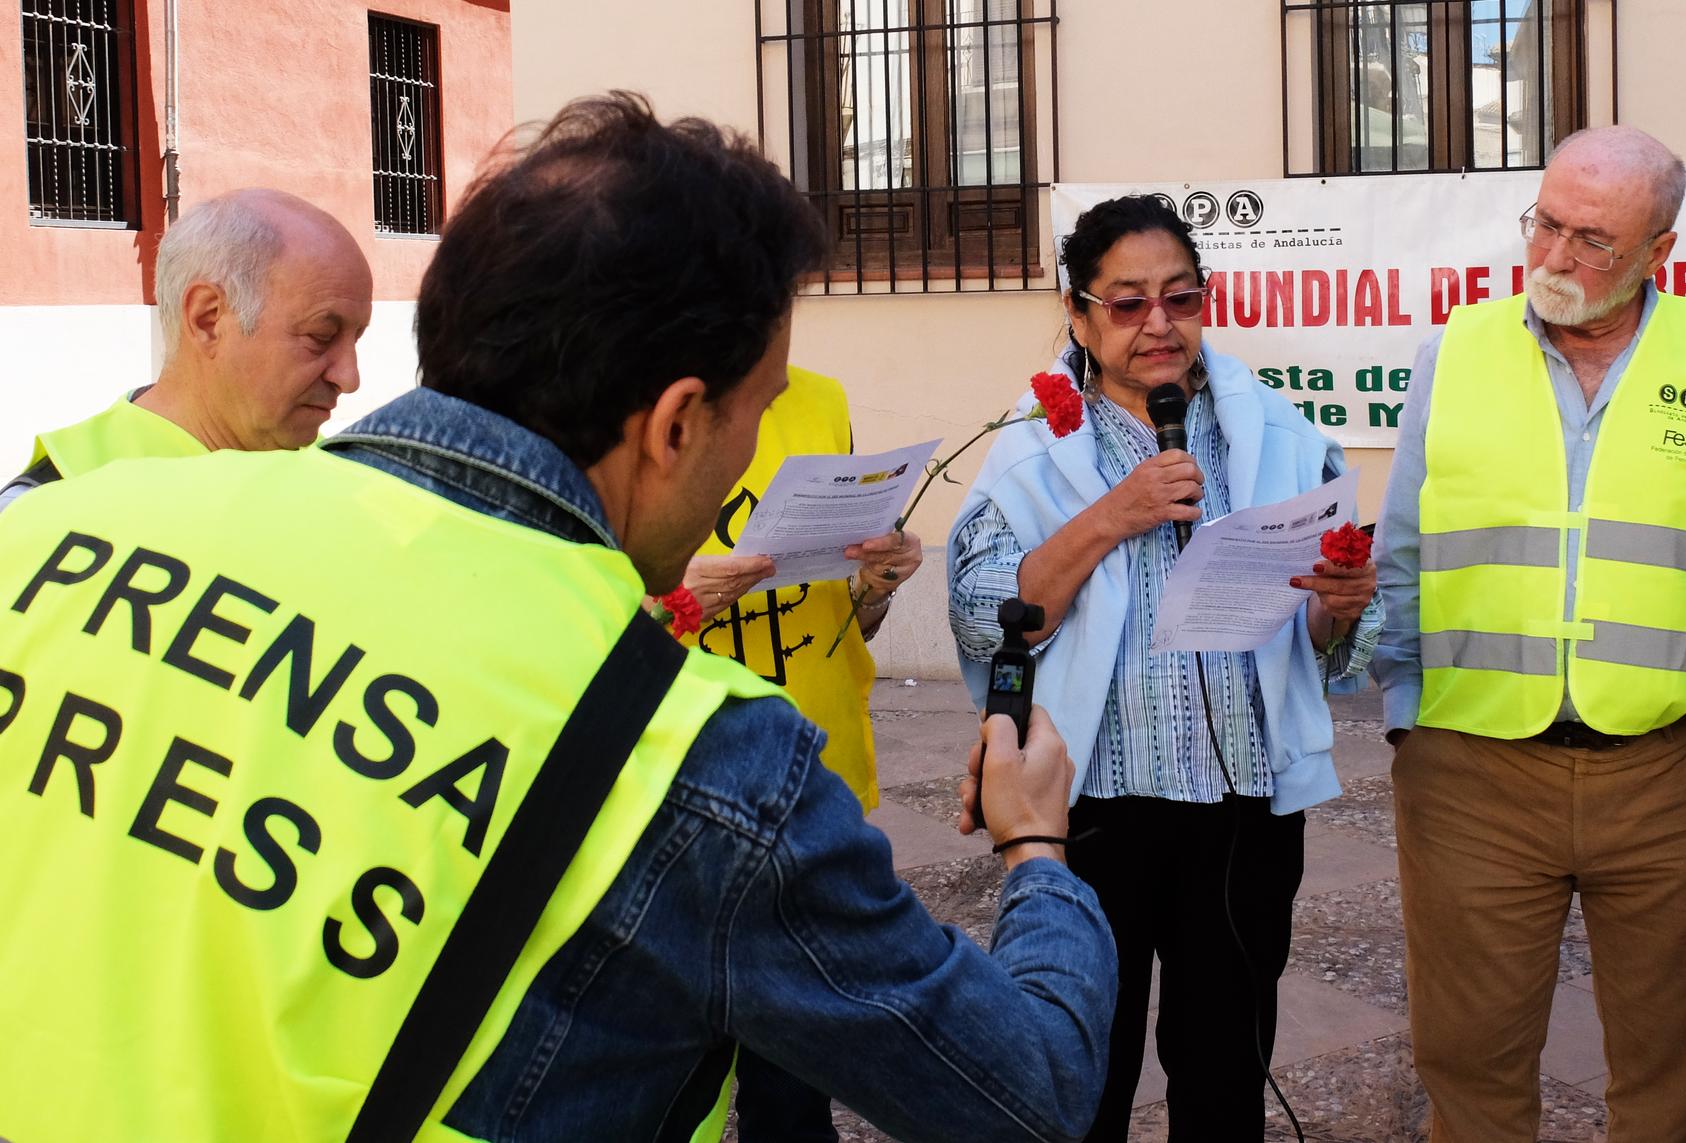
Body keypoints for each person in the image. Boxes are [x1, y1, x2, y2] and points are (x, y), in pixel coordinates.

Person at [0, 93, 1114, 1142]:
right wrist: (1034, 843)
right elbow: (1030, 1090)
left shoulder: (59, 523)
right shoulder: (689, 751)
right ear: (678, 424)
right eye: (757, 412)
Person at [1369, 125, 1686, 1142]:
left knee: (1673, 1072)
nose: (1556, 258)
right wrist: (1404, 717)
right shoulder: (1456, 353)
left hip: (1675, 781)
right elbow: (1403, 551)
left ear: (1660, 251)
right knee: (1466, 1063)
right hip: (1471, 773)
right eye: (1545, 225)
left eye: (1592, 240)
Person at [948, 193, 1382, 1141]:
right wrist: (1117, 512)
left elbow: (1318, 633)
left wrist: (1335, 604)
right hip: (1092, 810)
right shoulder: (1028, 450)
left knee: (1226, 1074)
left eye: (1180, 298)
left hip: (1240, 812)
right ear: (1078, 314)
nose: (1159, 325)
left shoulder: (1278, 433)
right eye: (1128, 302)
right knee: (1080, 1072)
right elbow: (989, 620)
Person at [676, 364, 924, 1142]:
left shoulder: (820, 398)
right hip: (683, 788)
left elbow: (849, 616)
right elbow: (583, 610)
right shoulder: (619, 396)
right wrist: (673, 598)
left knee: (794, 1081)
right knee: (671, 1076)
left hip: (812, 779)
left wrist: (876, 585)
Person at [0, 188, 372, 512]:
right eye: (321, 336)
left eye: (356, 340)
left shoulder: (349, 482)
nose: (349, 378)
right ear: (208, 319)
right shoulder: (38, 514)